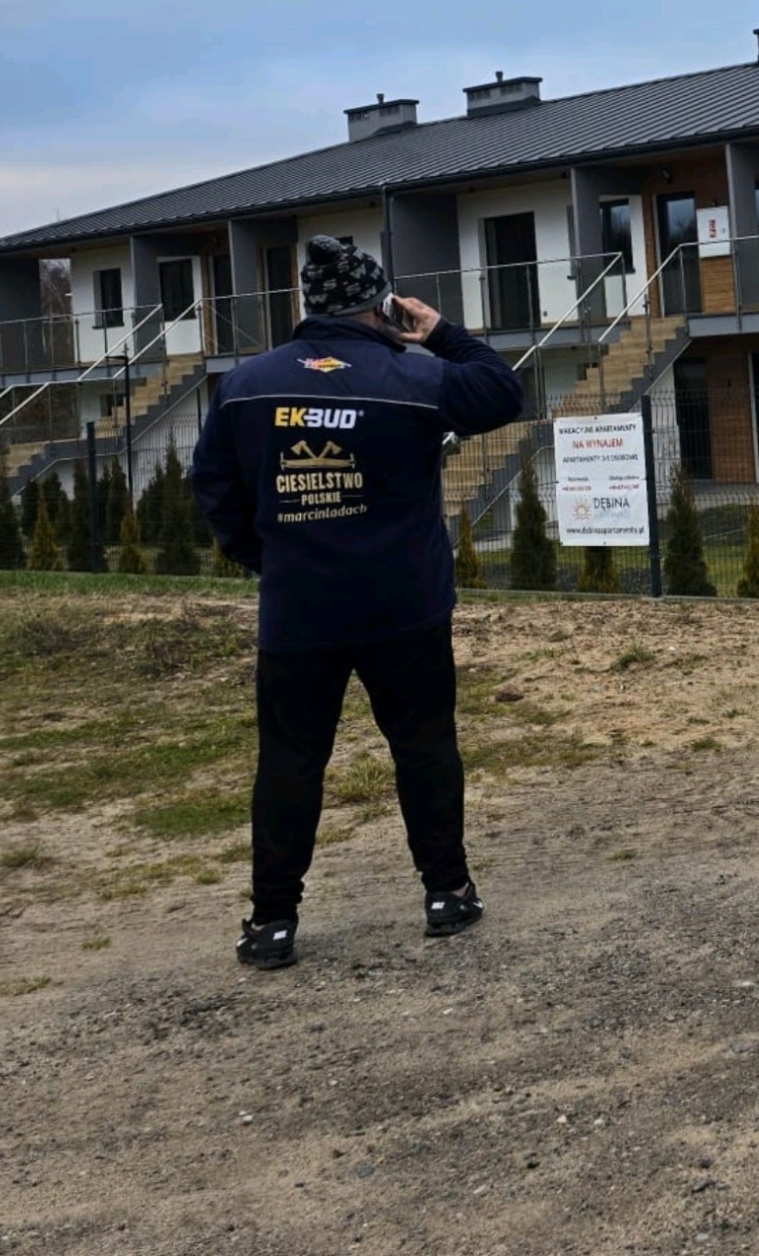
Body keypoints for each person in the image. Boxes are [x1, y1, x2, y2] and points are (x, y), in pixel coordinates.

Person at [191, 232, 525, 970]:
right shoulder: (411, 379)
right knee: (424, 747)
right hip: (403, 606)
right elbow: (502, 390)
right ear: (383, 308)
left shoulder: (246, 386)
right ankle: (446, 893)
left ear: (309, 306)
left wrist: (270, 557)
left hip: (298, 610)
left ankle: (272, 922)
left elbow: (213, 490)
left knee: (288, 761)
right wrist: (440, 331)